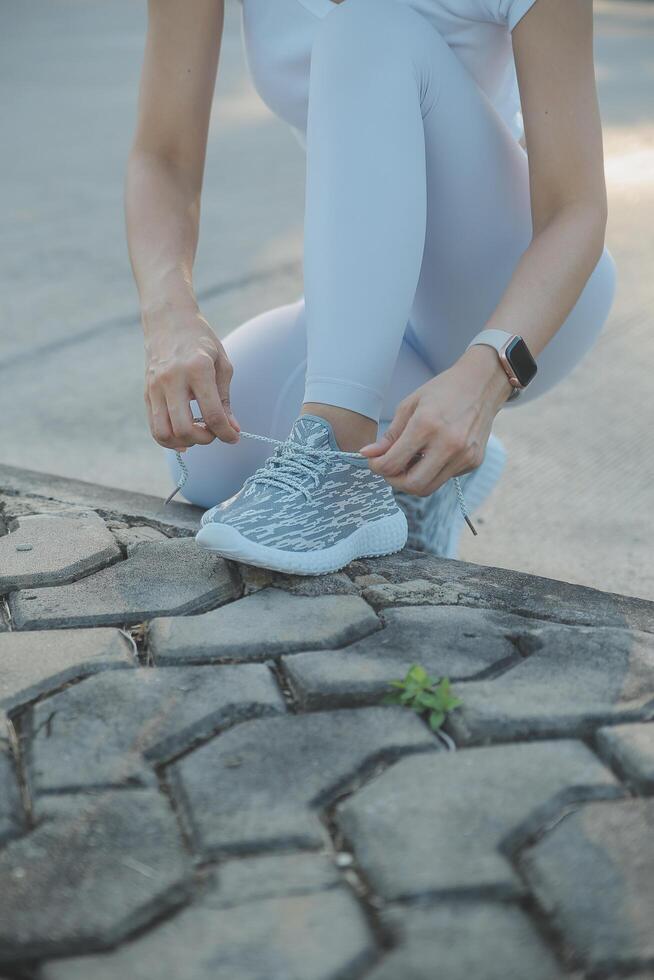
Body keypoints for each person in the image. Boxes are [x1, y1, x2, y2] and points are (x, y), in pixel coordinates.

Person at [125, 0, 616, 576]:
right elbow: (163, 155)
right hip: (365, 302)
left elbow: (575, 211)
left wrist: (485, 377)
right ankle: (417, 476)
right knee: (208, 461)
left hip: (510, 299)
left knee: (365, 25)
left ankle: (338, 458)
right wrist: (170, 317)